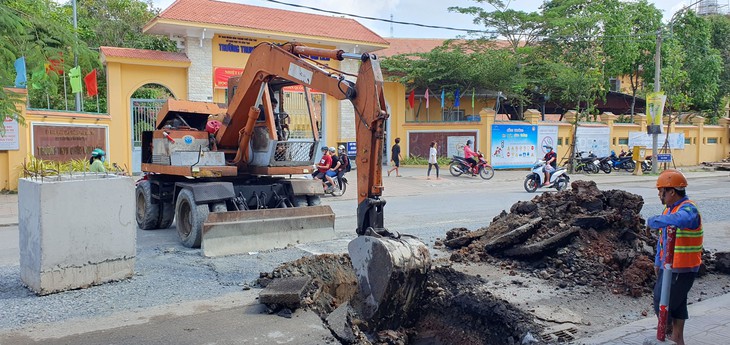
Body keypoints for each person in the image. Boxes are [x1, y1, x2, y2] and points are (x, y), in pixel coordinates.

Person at [647, 169, 702, 345]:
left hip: (682, 267)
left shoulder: (688, 209)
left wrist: (652, 221)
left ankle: (668, 332)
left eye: (661, 190)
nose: (659, 194)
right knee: (677, 305)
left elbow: (680, 220)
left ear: (671, 191)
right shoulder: (669, 209)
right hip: (669, 265)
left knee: (660, 300)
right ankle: (678, 339)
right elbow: (663, 240)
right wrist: (658, 261)